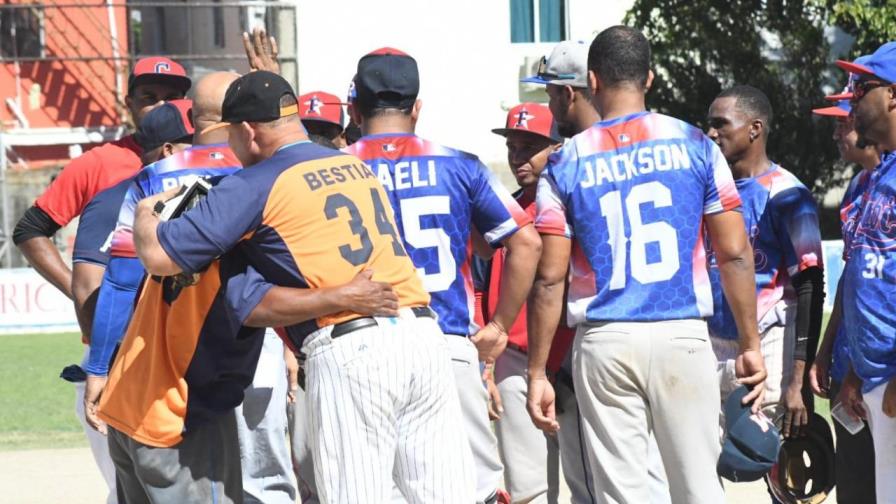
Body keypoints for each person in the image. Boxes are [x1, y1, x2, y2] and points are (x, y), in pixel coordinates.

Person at [129, 70, 476, 503]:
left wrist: (147, 214)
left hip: (354, 348)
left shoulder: (256, 181)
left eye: (230, 136)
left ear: (248, 130)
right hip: (423, 335)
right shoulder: (351, 163)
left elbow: (160, 258)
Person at [525, 26, 767, 504]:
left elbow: (550, 278)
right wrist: (751, 343)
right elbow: (735, 253)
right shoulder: (697, 143)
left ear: (592, 81)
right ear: (650, 78)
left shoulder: (565, 161)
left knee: (627, 494)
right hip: (681, 330)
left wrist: (537, 372)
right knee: (699, 487)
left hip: (606, 337)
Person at [345, 47, 542, 504]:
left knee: (376, 490)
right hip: (444, 340)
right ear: (416, 108)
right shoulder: (459, 164)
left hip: (360, 344)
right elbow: (526, 242)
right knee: (472, 489)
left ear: (354, 109)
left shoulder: (328, 169)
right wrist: (496, 327)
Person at [9, 56, 190, 504]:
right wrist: (79, 288)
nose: (159, 106)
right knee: (130, 484)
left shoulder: (200, 156)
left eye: (171, 97)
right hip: (117, 343)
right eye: (148, 98)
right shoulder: (100, 163)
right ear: (129, 103)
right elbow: (30, 230)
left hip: (184, 341)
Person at [705, 85, 825, 443]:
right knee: (710, 459)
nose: (711, 133)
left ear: (754, 128)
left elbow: (811, 287)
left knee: (772, 455)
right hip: (714, 340)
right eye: (709, 124)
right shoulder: (711, 190)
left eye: (721, 124)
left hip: (770, 338)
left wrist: (797, 380)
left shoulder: (788, 194)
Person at [477, 102, 566, 503]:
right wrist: (489, 362)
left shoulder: (570, 204)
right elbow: (484, 283)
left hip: (566, 354)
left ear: (556, 148)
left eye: (530, 146)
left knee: (591, 477)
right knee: (528, 484)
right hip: (512, 356)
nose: (518, 157)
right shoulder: (505, 206)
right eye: (513, 147)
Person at [810, 57, 880, 504]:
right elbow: (851, 277)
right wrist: (825, 351)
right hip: (846, 368)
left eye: (844, 122)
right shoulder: (858, 188)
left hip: (877, 369)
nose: (837, 132)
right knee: (854, 487)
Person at [833, 41, 896, 503]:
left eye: (863, 87)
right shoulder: (881, 175)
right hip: (873, 376)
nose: (853, 99)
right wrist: (855, 367)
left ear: (893, 94)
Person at [522, 40, 599, 138]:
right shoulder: (620, 143)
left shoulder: (573, 152)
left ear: (567, 95)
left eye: (551, 97)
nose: (549, 107)